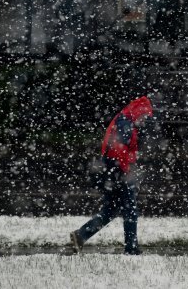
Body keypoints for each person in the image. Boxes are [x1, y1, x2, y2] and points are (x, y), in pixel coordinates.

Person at [70, 95, 154, 255]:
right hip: (118, 171)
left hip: (112, 170)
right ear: (138, 112)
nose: (143, 120)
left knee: (111, 209)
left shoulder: (124, 120)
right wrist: (128, 172)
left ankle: (81, 235)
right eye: (143, 116)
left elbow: (123, 150)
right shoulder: (125, 123)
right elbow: (119, 149)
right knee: (130, 210)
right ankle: (131, 249)